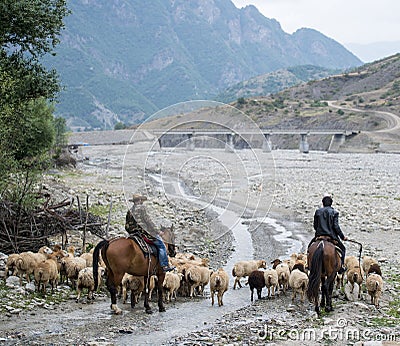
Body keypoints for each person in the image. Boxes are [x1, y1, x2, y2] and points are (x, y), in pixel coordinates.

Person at [125, 194, 175, 272]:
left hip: (133, 234)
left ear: (134, 201)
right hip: (144, 233)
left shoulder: (130, 211)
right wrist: (158, 231)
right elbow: (148, 221)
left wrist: (132, 231)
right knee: (161, 245)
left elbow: (127, 225)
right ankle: (164, 265)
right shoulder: (142, 208)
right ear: (140, 200)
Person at [309, 195, 347, 274]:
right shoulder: (334, 212)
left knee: (309, 248)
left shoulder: (318, 212)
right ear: (331, 203)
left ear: (323, 203)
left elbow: (315, 226)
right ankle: (341, 267)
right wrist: (342, 237)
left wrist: (319, 232)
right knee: (343, 249)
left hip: (319, 236)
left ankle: (308, 265)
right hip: (331, 236)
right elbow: (336, 227)